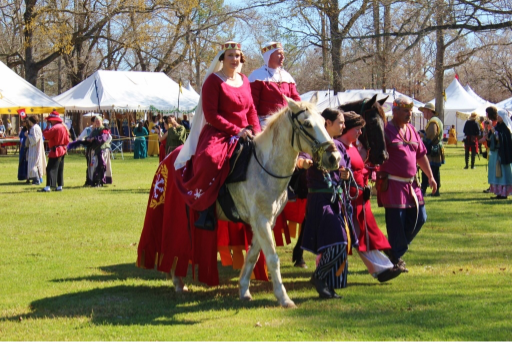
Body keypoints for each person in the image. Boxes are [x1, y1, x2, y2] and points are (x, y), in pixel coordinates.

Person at [173, 41, 261, 212]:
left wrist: (257, 132)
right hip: (220, 133)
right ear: (223, 58)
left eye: (237, 56)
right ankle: (205, 207)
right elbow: (212, 115)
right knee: (209, 160)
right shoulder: (213, 81)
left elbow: (251, 110)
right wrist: (236, 131)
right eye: (230, 55)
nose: (234, 59)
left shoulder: (244, 80)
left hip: (246, 132)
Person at [338, 112, 402, 282]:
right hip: (349, 198)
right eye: (357, 129)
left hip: (359, 196)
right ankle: (383, 268)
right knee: (358, 235)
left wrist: (369, 175)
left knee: (364, 234)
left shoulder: (352, 146)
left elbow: (359, 169)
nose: (360, 133)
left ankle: (383, 267)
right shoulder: (339, 147)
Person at [302, 108, 357, 299]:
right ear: (327, 123)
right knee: (339, 241)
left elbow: (347, 169)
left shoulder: (340, 147)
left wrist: (346, 174)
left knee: (340, 243)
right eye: (340, 122)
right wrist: (303, 163)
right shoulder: (315, 143)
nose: (343, 126)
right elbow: (302, 158)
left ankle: (327, 287)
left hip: (337, 200)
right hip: (321, 200)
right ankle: (318, 277)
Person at [377, 97, 437, 272]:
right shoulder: (386, 131)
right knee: (397, 223)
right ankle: (395, 257)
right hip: (393, 185)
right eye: (405, 111)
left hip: (412, 185)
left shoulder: (412, 129)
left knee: (420, 217)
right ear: (394, 112)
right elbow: (375, 155)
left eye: (410, 111)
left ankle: (394, 252)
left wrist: (431, 177)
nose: (409, 114)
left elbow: (421, 155)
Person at [248, 41, 301, 129]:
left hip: (288, 121)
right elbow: (252, 106)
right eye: (279, 54)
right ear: (269, 55)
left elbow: (296, 100)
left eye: (283, 54)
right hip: (266, 123)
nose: (283, 57)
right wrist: (255, 128)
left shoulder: (287, 76)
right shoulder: (256, 76)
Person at [39, 112, 70, 192]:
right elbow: (67, 140)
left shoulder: (55, 128)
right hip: (62, 150)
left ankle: (48, 186)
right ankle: (59, 186)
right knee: (60, 169)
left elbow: (46, 135)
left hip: (55, 150)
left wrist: (47, 127)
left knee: (50, 168)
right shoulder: (64, 127)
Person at [486, 109, 512, 199]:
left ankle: (504, 193)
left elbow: (503, 139)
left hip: (503, 154)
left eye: (499, 116)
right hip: (496, 153)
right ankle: (499, 192)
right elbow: (491, 136)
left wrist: (494, 132)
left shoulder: (506, 128)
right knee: (496, 173)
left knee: (503, 173)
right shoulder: (498, 126)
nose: (497, 117)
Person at [419, 102, 444, 196]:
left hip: (433, 150)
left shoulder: (433, 121)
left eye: (424, 111)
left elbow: (432, 135)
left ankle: (424, 190)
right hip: (435, 149)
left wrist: (423, 135)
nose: (423, 113)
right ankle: (436, 191)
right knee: (435, 170)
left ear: (429, 111)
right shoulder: (436, 120)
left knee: (427, 169)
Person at [85, 116, 113, 186]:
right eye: (96, 121)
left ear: (102, 121)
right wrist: (88, 139)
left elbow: (103, 138)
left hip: (102, 150)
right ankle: (92, 180)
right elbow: (90, 136)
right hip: (94, 150)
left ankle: (99, 181)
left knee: (100, 165)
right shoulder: (94, 130)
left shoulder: (104, 130)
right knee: (93, 166)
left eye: (98, 121)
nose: (97, 122)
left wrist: (94, 139)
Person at [26, 116, 46, 185]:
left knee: (34, 164)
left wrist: (27, 135)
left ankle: (37, 180)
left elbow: (35, 139)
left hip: (35, 149)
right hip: (34, 148)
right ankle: (38, 179)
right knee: (35, 164)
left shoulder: (35, 128)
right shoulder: (35, 127)